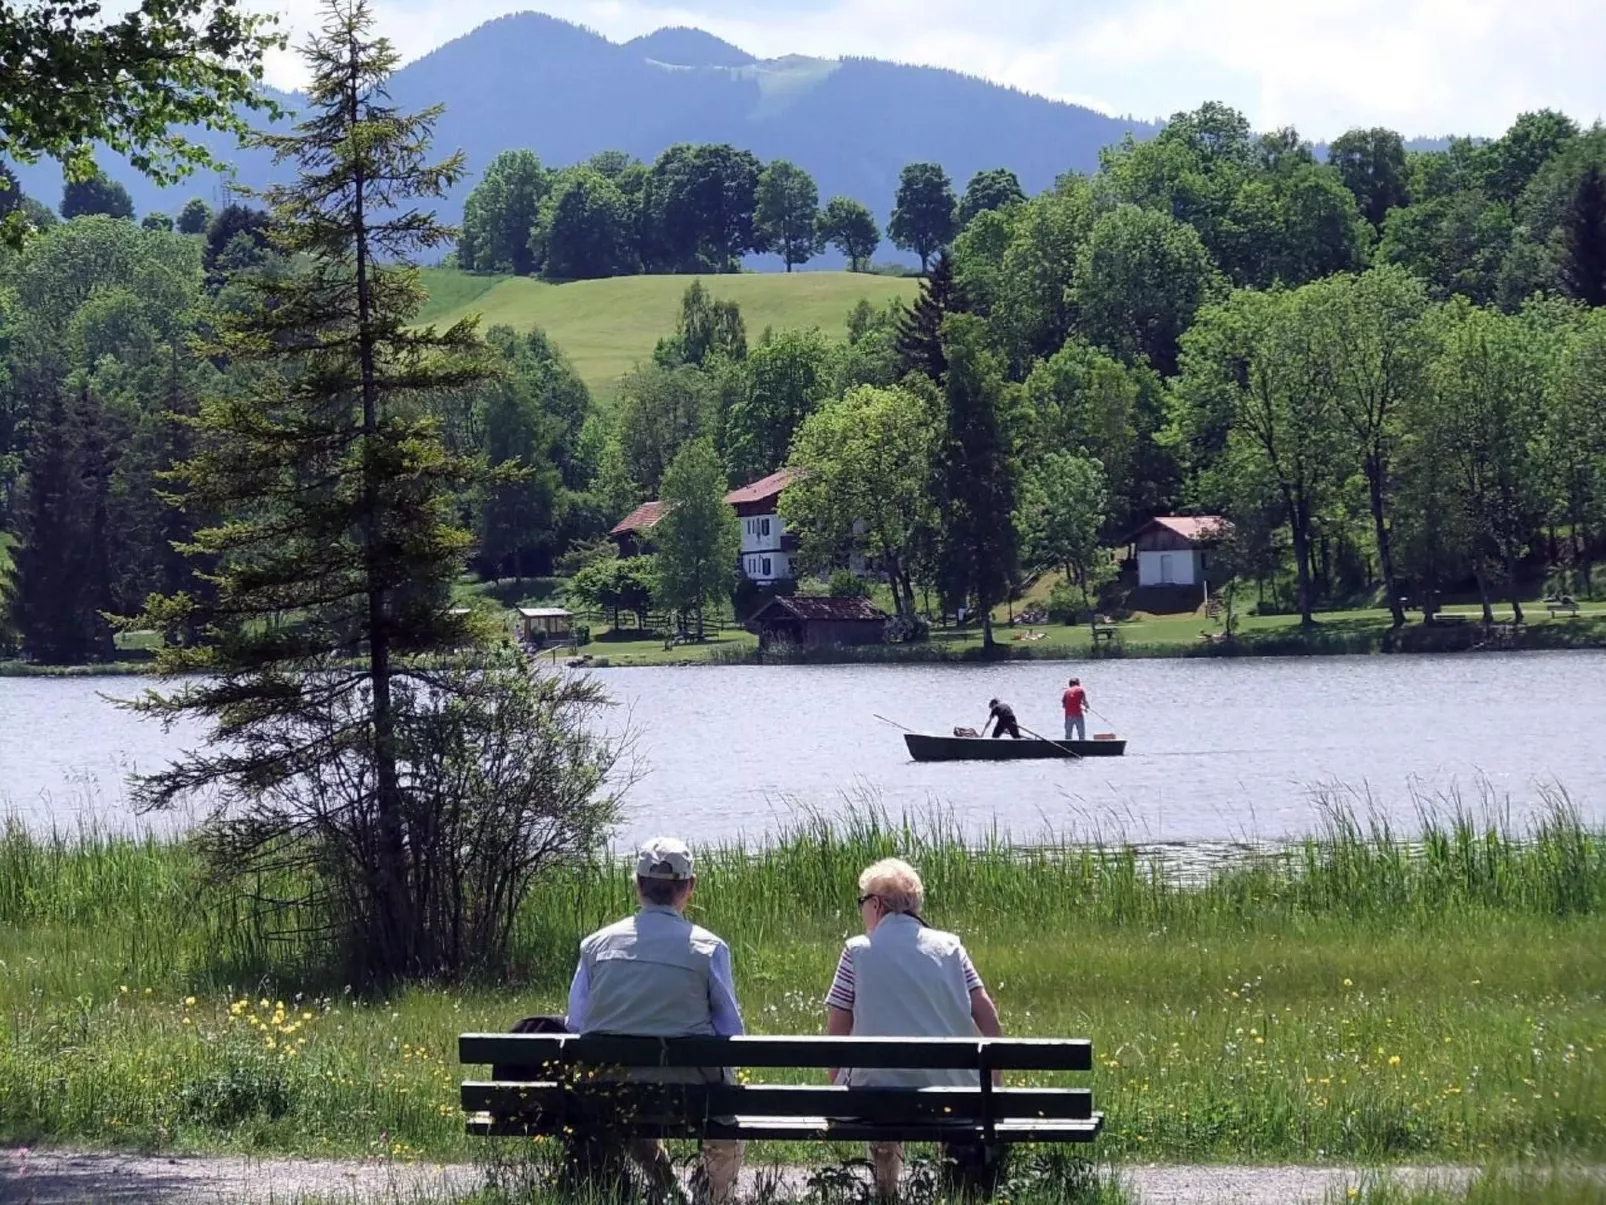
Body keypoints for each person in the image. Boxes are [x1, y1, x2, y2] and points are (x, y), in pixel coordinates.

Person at [566, 837, 744, 1205]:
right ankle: (714, 1196)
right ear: (689, 888)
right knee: (724, 1098)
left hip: (615, 1091)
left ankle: (667, 1186)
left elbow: (576, 1024)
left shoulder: (595, 945)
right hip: (693, 1094)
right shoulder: (708, 948)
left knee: (630, 1088)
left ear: (637, 884)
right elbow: (731, 1032)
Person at [823, 858, 1006, 1200]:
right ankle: (959, 1189)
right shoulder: (951, 948)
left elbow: (837, 1036)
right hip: (955, 1096)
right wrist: (994, 1088)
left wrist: (836, 1090)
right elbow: (990, 1020)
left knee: (875, 1081)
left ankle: (886, 1191)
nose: (862, 911)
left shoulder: (856, 952)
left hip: (875, 1098)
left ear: (876, 904)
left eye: (863, 902)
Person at [1062, 677, 1089, 742]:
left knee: (1068, 736)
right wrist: (1086, 707)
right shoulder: (1081, 690)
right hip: (1078, 715)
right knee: (1081, 735)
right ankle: (1082, 747)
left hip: (1068, 715)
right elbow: (1085, 703)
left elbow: (1064, 705)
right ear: (1078, 683)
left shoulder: (1066, 691)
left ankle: (1067, 747)